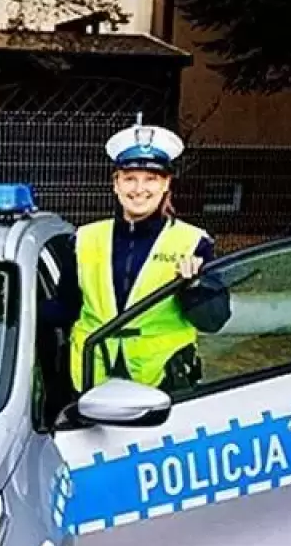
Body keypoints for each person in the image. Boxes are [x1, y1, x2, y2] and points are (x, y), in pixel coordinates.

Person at [43, 124, 232, 397]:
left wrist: (194, 288)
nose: (139, 189)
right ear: (116, 183)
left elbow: (213, 321)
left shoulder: (193, 243)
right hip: (90, 374)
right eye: (130, 178)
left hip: (164, 379)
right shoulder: (84, 239)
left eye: (151, 179)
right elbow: (66, 307)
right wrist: (15, 307)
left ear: (166, 184)